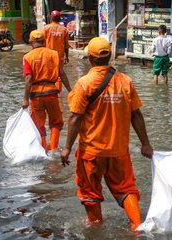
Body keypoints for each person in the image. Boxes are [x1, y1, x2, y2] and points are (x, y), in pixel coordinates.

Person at [60, 37, 154, 231]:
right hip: (119, 151)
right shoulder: (125, 82)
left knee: (89, 193)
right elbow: (136, 114)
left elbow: (75, 118)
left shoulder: (84, 84)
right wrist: (145, 144)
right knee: (126, 189)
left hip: (92, 152)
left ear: (90, 59)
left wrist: (67, 148)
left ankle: (95, 230)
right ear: (109, 57)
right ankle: (138, 228)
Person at [22, 30, 72, 153]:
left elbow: (28, 79)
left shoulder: (27, 57)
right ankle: (54, 148)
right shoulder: (54, 54)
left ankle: (43, 149)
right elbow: (62, 74)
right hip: (52, 93)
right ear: (44, 41)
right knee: (56, 123)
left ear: (31, 42)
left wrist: (25, 99)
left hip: (36, 95)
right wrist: (70, 90)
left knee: (39, 124)